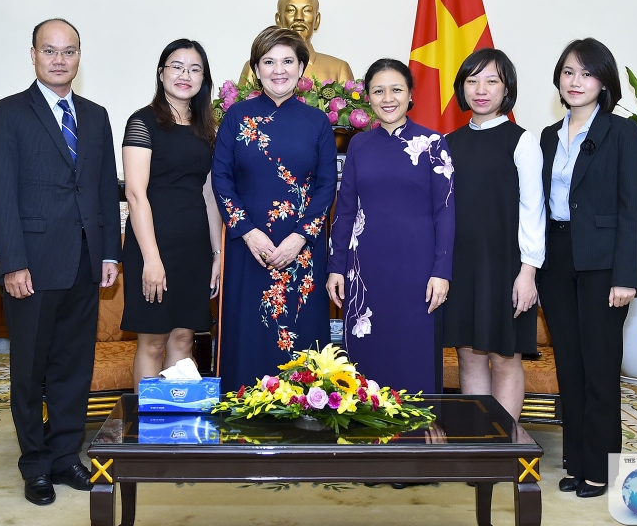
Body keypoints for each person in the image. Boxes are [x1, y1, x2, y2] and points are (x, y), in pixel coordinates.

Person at [0, 18, 121, 506]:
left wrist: (109, 253)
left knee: (73, 367)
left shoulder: (96, 115)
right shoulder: (6, 115)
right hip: (33, 267)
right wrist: (13, 263)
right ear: (34, 55)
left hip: (85, 263)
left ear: (80, 57)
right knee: (31, 369)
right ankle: (35, 465)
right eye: (50, 51)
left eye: (69, 51)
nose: (60, 59)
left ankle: (64, 458)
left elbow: (105, 190)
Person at [537, 38, 637, 498]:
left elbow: (630, 210)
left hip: (603, 265)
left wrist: (625, 276)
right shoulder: (546, 136)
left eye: (585, 73)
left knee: (600, 368)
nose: (575, 82)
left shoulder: (621, 133)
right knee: (571, 369)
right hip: (557, 258)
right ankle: (577, 462)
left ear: (603, 81)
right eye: (567, 72)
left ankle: (602, 468)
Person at [212, 26, 335, 392]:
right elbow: (221, 178)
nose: (278, 70)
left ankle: (305, 421)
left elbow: (327, 184)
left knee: (301, 343)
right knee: (246, 333)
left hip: (302, 250)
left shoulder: (317, 122)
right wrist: (248, 232)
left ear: (301, 68)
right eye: (268, 61)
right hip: (247, 246)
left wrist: (300, 237)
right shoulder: (237, 117)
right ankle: (242, 425)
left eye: (287, 61)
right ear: (256, 68)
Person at [327, 58, 454, 394]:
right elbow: (345, 209)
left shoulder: (433, 144)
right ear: (367, 97)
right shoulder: (358, 145)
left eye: (396, 89)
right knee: (368, 360)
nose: (388, 98)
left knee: (415, 357)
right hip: (365, 270)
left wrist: (442, 271)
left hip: (418, 271)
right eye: (378, 90)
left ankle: (417, 441)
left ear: (411, 94)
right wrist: (336, 267)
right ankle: (367, 439)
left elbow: (446, 212)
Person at [443, 48, 546, 422]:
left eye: (492, 81)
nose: (481, 90)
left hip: (507, 268)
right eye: (472, 81)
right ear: (462, 88)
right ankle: (478, 446)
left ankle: (503, 446)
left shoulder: (522, 141)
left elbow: (534, 211)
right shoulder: (448, 144)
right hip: (461, 267)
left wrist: (528, 271)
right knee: (468, 357)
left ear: (507, 89)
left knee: (505, 359)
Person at [120, 39, 222, 390]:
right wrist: (151, 259)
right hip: (153, 247)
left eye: (195, 69)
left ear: (203, 79)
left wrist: (217, 254)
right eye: (177, 66)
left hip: (193, 250)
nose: (185, 75)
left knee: (183, 340)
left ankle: (177, 431)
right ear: (162, 72)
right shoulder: (143, 122)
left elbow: (210, 195)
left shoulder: (208, 128)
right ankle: (148, 435)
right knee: (153, 340)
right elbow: (135, 195)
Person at [239, 0, 354, 83]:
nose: (299, 17)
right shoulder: (255, 68)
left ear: (317, 20)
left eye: (307, 11)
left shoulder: (339, 69)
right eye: (291, 11)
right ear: (279, 20)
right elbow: (243, 109)